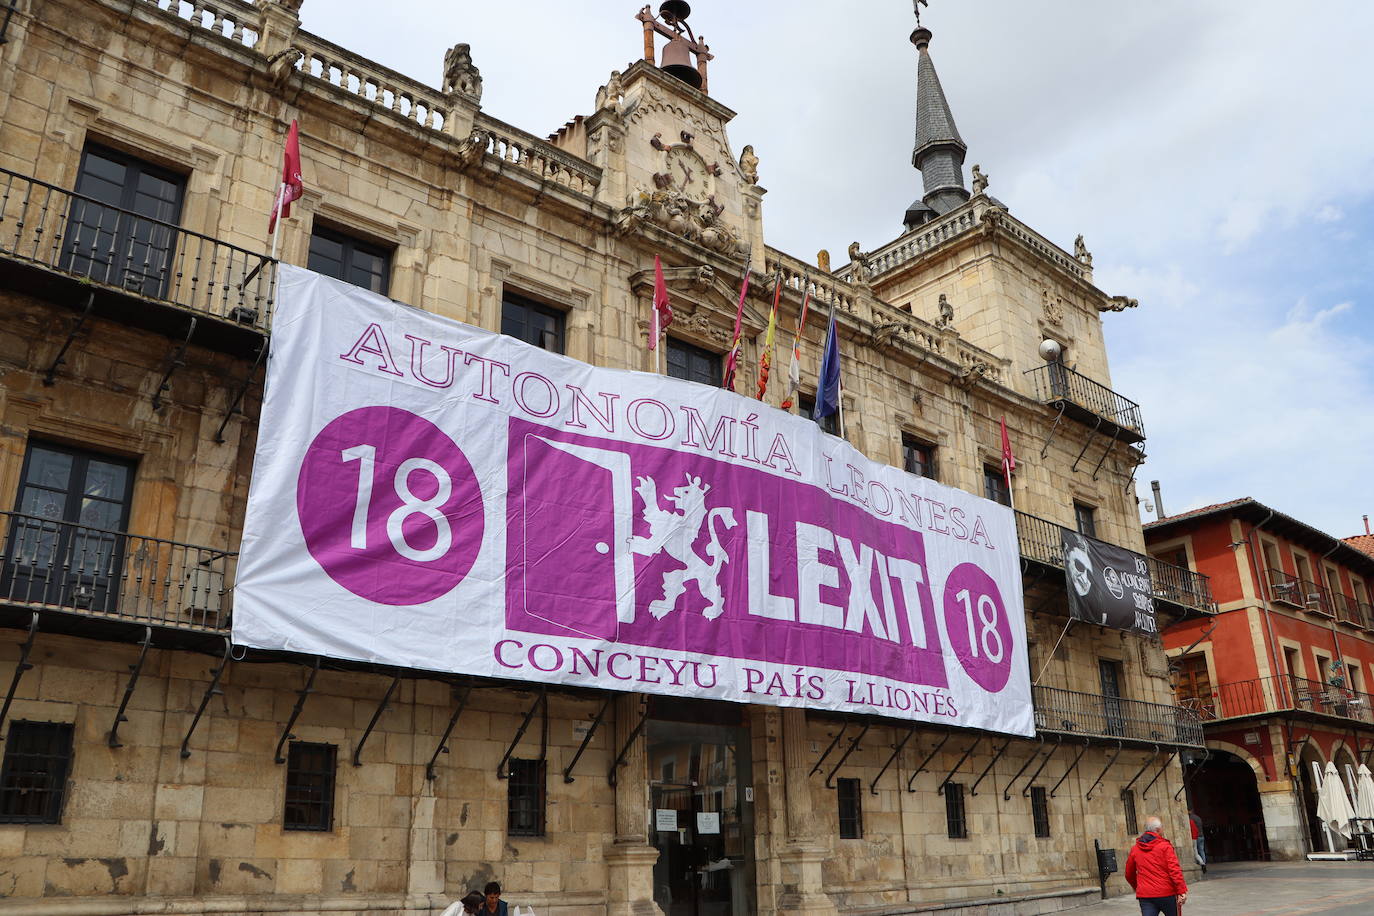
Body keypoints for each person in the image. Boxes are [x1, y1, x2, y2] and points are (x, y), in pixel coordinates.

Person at [1124, 815, 1188, 916]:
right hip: (1167, 893)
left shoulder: (1135, 849)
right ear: (1158, 830)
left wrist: (1139, 886)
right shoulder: (1165, 846)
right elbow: (1174, 870)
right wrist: (1181, 891)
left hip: (1145, 895)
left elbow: (1128, 873)